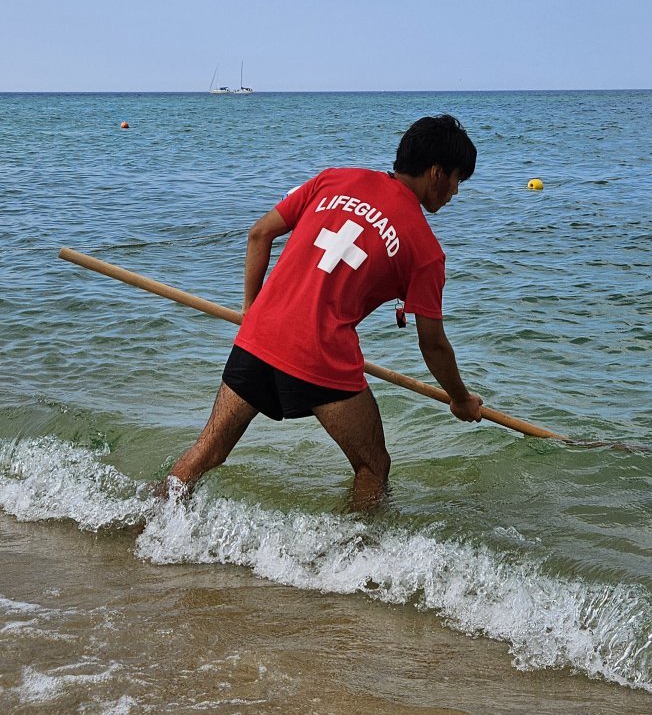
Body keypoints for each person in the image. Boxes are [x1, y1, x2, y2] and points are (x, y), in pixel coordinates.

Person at [162, 114, 484, 508]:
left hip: (257, 337)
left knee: (207, 453)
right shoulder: (425, 250)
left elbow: (259, 234)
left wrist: (252, 311)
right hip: (320, 353)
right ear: (437, 173)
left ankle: (148, 521)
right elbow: (432, 345)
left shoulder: (333, 179)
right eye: (457, 181)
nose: (454, 192)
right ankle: (352, 560)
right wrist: (461, 399)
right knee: (373, 467)